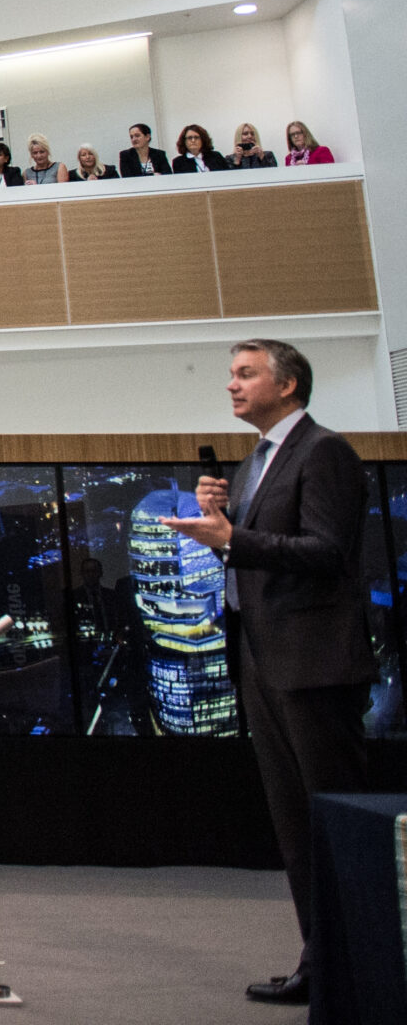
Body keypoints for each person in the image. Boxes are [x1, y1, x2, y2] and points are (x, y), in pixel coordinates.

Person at [159, 342, 369, 1007]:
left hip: (313, 665)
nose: (231, 385)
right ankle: (325, 964)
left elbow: (326, 551)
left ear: (290, 383)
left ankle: (367, 966)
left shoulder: (323, 450)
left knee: (336, 823)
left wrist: (229, 539)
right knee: (296, 827)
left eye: (245, 374)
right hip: (264, 660)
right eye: (231, 374)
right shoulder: (257, 461)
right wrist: (225, 518)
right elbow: (253, 550)